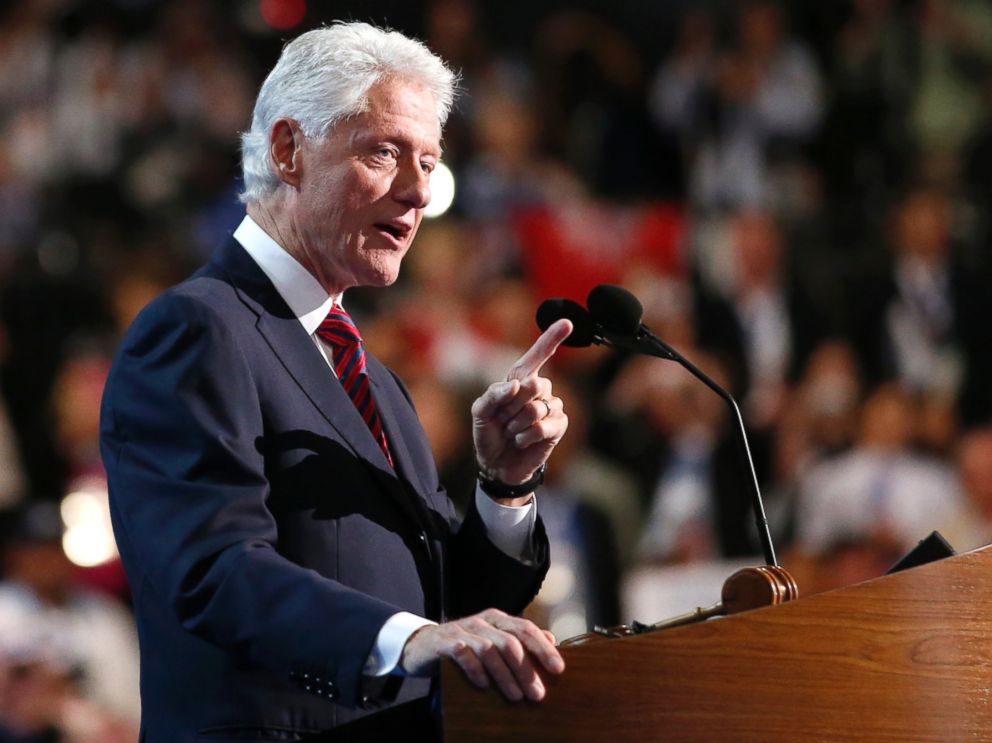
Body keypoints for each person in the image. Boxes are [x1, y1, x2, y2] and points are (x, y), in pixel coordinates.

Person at [99, 22, 571, 742]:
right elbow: (215, 569)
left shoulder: (375, 378)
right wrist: (408, 639)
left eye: (430, 162)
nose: (418, 193)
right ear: (289, 150)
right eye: (385, 152)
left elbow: (450, 611)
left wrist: (504, 487)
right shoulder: (196, 329)